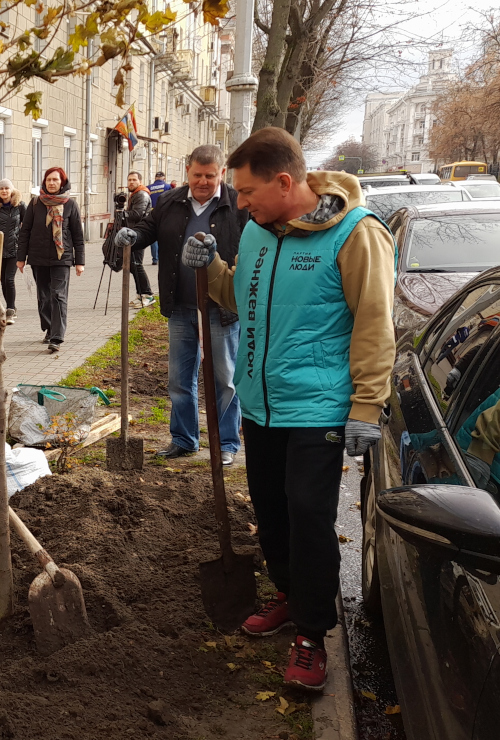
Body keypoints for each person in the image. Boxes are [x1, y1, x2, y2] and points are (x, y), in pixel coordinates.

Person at [183, 127, 395, 691]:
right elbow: (238, 299)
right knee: (272, 510)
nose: (239, 203)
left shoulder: (355, 235)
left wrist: (367, 407)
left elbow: (375, 323)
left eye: (247, 191)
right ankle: (285, 591)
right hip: (260, 405)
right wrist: (213, 270)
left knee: (309, 518)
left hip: (319, 409)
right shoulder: (257, 231)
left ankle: (312, 632)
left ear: (284, 181)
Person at [115, 145, 249, 465]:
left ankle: (227, 442)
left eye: (210, 175)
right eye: (197, 175)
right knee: (179, 378)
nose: (203, 181)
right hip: (179, 304)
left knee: (224, 378)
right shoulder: (172, 201)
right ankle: (184, 439)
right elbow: (150, 227)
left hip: (221, 307)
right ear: (187, 171)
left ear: (222, 173)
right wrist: (132, 234)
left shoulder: (238, 205)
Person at [17, 167, 86, 353]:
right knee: (44, 297)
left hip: (61, 258)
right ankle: (48, 328)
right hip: (38, 258)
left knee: (58, 295)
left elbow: (78, 236)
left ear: (62, 182)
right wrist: (20, 258)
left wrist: (80, 261)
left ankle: (56, 337)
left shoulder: (70, 204)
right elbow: (25, 232)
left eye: (55, 180)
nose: (52, 183)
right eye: (48, 180)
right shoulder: (35, 204)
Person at [0, 178, 26, 326]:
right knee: (1, 280)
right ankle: (5, 307)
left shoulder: (20, 206)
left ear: (11, 190)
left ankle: (11, 310)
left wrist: (23, 245)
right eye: (2, 189)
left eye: (7, 188)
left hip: (15, 248)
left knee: (9, 279)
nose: (4, 191)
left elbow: (26, 226)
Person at [123, 172, 155, 308]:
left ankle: (148, 294)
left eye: (134, 180)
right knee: (133, 265)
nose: (131, 182)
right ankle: (140, 294)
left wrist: (121, 213)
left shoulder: (141, 194)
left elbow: (137, 214)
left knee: (136, 264)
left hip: (139, 233)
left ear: (140, 181)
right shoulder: (135, 194)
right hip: (134, 232)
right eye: (129, 180)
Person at [146, 171, 171, 265]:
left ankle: (155, 259)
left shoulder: (148, 187)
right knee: (164, 236)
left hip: (152, 214)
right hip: (164, 214)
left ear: (155, 178)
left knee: (154, 237)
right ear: (163, 178)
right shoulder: (168, 187)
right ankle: (163, 258)